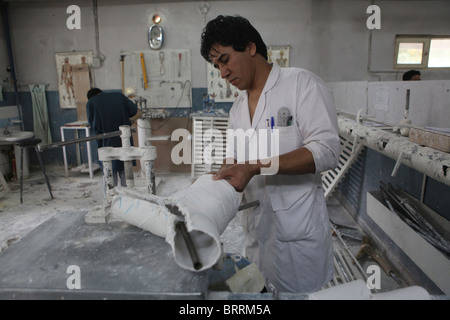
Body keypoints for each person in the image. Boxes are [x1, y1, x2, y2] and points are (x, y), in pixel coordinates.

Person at [200, 15, 340, 293]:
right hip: (257, 236)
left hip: (297, 237)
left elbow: (326, 151)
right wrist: (211, 184)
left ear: (251, 47)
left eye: (225, 60)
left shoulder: (301, 84)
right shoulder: (237, 109)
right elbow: (234, 161)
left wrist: (254, 167)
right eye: (217, 67)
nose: (223, 73)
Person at [86, 88, 142, 188]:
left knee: (109, 171)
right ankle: (129, 197)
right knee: (125, 169)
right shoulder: (119, 96)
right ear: (100, 92)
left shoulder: (91, 102)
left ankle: (111, 198)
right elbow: (138, 112)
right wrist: (128, 121)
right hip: (123, 139)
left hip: (105, 141)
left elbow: (92, 124)